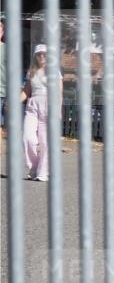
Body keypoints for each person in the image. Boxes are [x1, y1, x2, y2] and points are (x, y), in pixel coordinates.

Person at [22, 45, 62, 182]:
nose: (41, 56)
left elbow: (59, 92)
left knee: (45, 142)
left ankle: (43, 172)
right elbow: (27, 91)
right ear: (35, 56)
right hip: (32, 105)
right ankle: (34, 167)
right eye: (39, 54)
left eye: (44, 53)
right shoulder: (32, 71)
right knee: (27, 137)